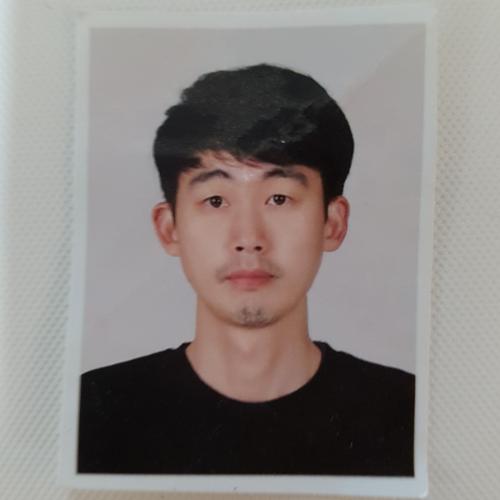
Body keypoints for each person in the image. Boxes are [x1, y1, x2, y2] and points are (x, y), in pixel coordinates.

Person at [78, 63, 415, 475]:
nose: (249, 238)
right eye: (216, 201)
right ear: (169, 228)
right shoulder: (90, 413)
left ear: (332, 222)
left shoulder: (408, 413)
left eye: (279, 198)